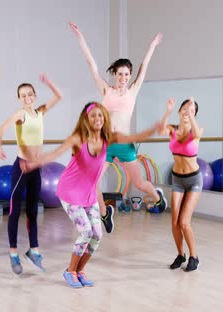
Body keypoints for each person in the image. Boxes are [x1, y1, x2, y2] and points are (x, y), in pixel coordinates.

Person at [21, 102, 161, 288]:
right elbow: (55, 153)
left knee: (97, 234)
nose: (97, 119)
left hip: (88, 194)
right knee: (86, 232)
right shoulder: (78, 139)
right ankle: (70, 271)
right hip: (70, 192)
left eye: (100, 115)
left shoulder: (110, 138)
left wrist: (155, 129)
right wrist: (33, 163)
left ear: (105, 118)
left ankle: (80, 271)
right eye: (93, 115)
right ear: (86, 119)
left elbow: (136, 136)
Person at [69, 22, 166, 234]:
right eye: (120, 74)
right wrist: (80, 37)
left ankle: (158, 198)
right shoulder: (106, 89)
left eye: (126, 75)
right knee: (92, 182)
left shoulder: (132, 91)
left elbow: (144, 68)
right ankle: (105, 213)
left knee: (139, 183)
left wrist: (152, 46)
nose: (123, 78)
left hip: (125, 145)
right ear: (114, 74)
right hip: (105, 144)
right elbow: (91, 63)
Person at [0, 74, 62, 274]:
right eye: (23, 96)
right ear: (19, 99)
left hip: (36, 169)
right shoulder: (20, 115)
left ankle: (34, 250)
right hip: (22, 167)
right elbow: (0, 131)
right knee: (15, 211)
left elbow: (58, 96)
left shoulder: (40, 113)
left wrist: (49, 82)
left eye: (30, 94)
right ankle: (13, 253)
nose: (27, 98)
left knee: (33, 211)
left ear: (34, 96)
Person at [159, 98, 203, 272]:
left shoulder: (197, 130)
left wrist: (190, 113)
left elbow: (197, 135)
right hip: (177, 179)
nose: (187, 112)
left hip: (194, 180)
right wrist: (168, 110)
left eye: (191, 110)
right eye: (184, 108)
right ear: (179, 111)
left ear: (194, 115)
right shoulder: (172, 130)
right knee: (175, 223)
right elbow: (162, 129)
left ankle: (194, 257)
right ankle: (180, 254)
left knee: (184, 222)